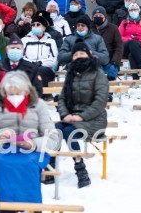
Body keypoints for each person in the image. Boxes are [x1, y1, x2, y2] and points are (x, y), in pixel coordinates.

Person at [0, 71, 60, 202]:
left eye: (18, 94)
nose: (14, 97)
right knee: (2, 163)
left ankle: (30, 204)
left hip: (32, 151)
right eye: (10, 94)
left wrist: (33, 144)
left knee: (28, 163)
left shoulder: (39, 105)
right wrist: (0, 138)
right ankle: (3, 204)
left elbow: (52, 138)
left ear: (26, 91)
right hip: (3, 150)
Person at [55, 42, 109, 188]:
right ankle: (51, 167)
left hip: (94, 119)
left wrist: (81, 117)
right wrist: (65, 115)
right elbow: (62, 99)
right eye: (76, 54)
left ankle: (80, 169)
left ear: (89, 55)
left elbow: (100, 101)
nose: (79, 56)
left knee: (69, 132)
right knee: (55, 130)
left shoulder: (98, 73)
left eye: (82, 53)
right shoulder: (71, 74)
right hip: (72, 117)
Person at [118, 3, 141, 78]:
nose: (133, 11)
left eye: (135, 9)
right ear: (128, 12)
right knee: (132, 42)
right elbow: (118, 37)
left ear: (139, 11)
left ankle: (136, 79)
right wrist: (129, 39)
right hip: (126, 47)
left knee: (132, 55)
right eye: (131, 10)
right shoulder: (124, 23)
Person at [92, 6, 123, 80]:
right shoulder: (88, 28)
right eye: (96, 16)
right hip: (92, 61)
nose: (98, 17)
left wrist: (115, 61)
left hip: (109, 61)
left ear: (105, 17)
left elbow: (119, 46)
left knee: (111, 75)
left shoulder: (113, 28)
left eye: (100, 15)